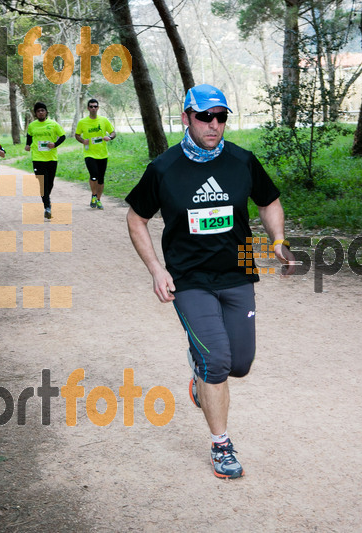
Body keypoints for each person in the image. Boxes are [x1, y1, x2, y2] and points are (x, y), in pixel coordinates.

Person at [125, 84, 295, 480]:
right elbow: (136, 218)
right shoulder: (164, 168)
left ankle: (199, 378)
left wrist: (279, 241)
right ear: (186, 118)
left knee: (239, 364)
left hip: (237, 271)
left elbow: (269, 201)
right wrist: (156, 269)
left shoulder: (241, 161)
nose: (214, 125)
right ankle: (222, 446)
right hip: (189, 279)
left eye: (221, 117)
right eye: (205, 117)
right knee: (216, 361)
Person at [24, 102, 66, 219]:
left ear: (46, 112)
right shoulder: (32, 125)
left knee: (50, 183)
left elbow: (63, 136)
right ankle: (47, 207)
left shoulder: (53, 124)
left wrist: (55, 144)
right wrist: (27, 145)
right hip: (37, 159)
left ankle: (46, 198)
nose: (41, 112)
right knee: (43, 183)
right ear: (36, 113)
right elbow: (29, 136)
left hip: (51, 158)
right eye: (38, 111)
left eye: (42, 110)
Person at [74, 98, 116, 210]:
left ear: (98, 108)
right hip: (89, 154)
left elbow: (113, 132)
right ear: (88, 108)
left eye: (95, 106)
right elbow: (77, 135)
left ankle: (98, 200)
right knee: (94, 175)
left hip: (102, 154)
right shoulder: (82, 122)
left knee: (101, 179)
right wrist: (83, 141)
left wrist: (110, 137)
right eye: (91, 106)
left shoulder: (104, 120)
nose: (93, 108)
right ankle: (93, 195)